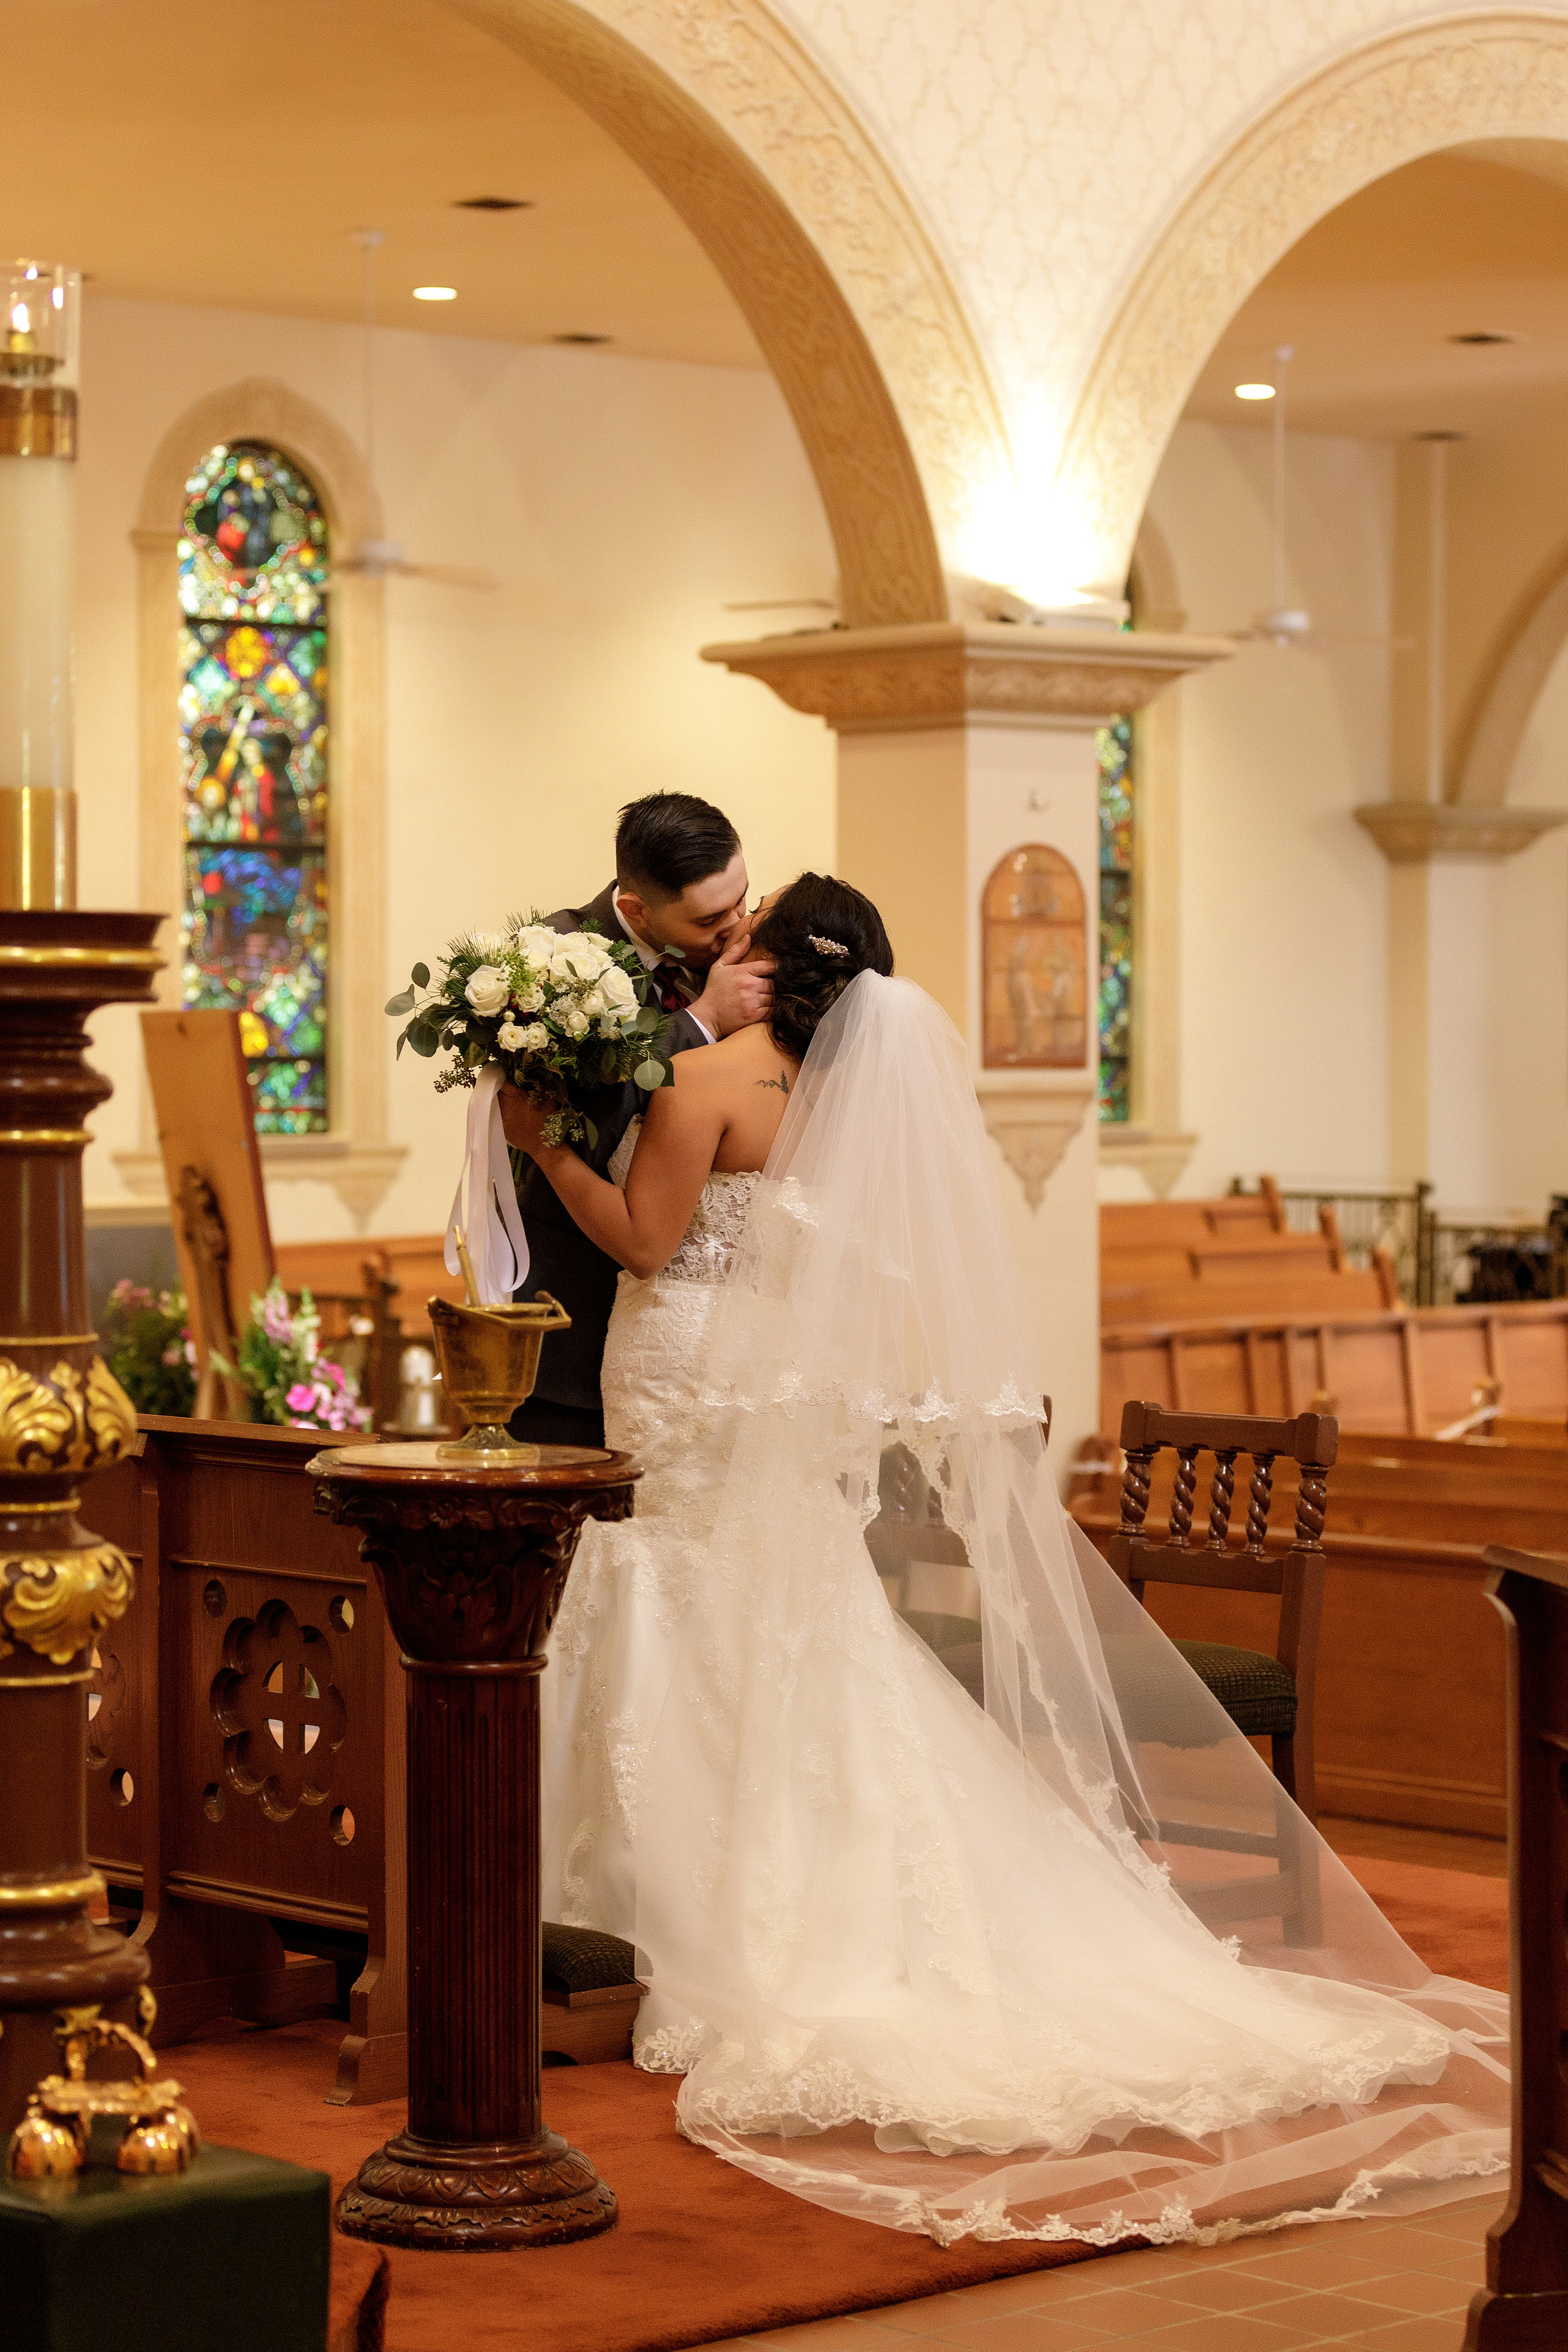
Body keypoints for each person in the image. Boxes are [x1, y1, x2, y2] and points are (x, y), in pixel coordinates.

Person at [499, 873, 1507, 2248]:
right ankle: (767, 1881)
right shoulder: (848, 1114)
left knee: (674, 1590)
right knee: (783, 1608)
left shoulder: (702, 1090)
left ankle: (638, 1899)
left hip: (677, 1371)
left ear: (771, 959)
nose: (725, 948)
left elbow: (641, 1239)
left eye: (744, 931)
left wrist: (547, 1145)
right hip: (772, 1398)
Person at [510, 790, 774, 1449]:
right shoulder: (551, 963)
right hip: (572, 1326)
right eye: (713, 918)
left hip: (691, 1344)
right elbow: (577, 1131)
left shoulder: (723, 960)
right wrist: (703, 1022)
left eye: (743, 901)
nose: (736, 928)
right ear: (634, 909)